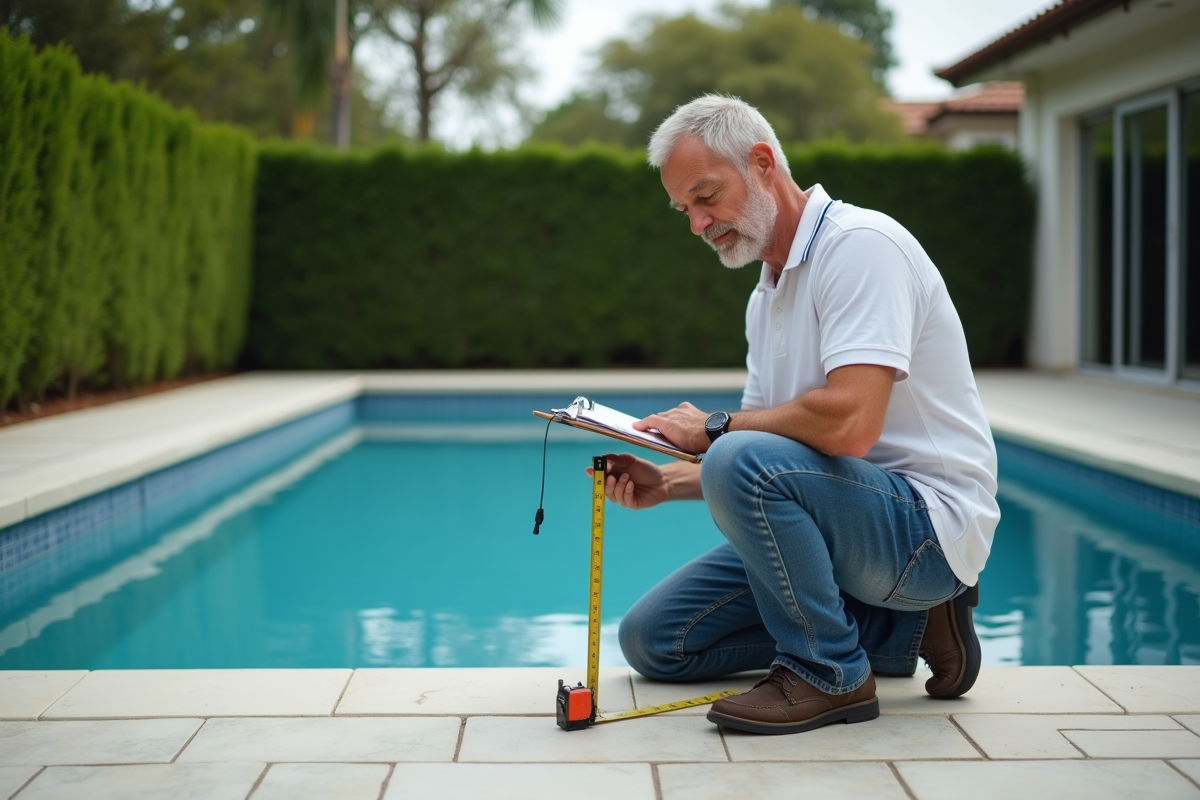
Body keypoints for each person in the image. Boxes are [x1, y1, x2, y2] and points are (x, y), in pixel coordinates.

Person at [598, 95, 1000, 736]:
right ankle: (905, 629)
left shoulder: (862, 247)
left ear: (761, 163)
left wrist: (711, 429)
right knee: (655, 642)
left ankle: (829, 673)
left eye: (706, 197)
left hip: (926, 533)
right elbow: (775, 458)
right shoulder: (766, 294)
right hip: (851, 521)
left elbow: (847, 427)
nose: (697, 224)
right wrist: (668, 483)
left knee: (734, 449)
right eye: (685, 210)